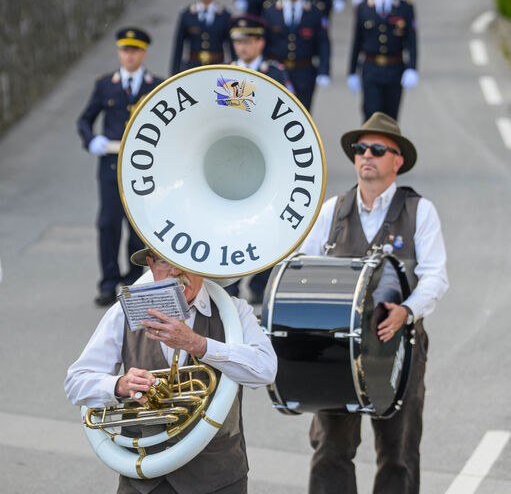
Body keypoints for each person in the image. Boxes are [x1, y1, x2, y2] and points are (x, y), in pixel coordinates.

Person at [300, 111, 448, 494]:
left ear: (397, 161)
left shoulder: (419, 211)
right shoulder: (333, 210)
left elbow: (435, 277)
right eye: (360, 148)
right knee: (330, 450)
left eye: (378, 150)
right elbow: (302, 268)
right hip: (337, 352)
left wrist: (407, 311)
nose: (367, 155)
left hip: (399, 347)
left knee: (399, 454)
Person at [65, 248, 278, 494]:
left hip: (217, 477)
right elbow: (76, 383)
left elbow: (266, 369)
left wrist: (199, 345)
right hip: (144, 478)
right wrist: (119, 385)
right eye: (165, 262)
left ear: (203, 264)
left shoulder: (234, 311)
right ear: (151, 264)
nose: (176, 271)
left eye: (186, 261)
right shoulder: (123, 312)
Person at [77, 28, 164, 306]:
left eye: (135, 50)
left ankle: (134, 281)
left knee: (139, 227)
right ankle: (108, 282)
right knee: (108, 224)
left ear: (143, 53)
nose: (129, 56)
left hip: (143, 168)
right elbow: (85, 119)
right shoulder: (106, 85)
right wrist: (92, 140)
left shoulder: (156, 85)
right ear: (119, 52)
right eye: (125, 50)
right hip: (111, 164)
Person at [224, 13, 294, 302]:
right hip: (233, 157)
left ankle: (259, 283)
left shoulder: (275, 71)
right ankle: (229, 284)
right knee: (231, 223)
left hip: (267, 157)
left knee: (266, 221)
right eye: (238, 42)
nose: (242, 47)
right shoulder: (225, 72)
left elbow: (289, 110)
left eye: (248, 42)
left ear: (260, 43)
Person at [348, 0, 418, 121]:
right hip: (371, 69)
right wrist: (352, 71)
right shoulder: (364, 7)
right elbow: (357, 41)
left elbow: (412, 40)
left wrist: (412, 67)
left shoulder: (404, 7)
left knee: (390, 120)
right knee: (371, 117)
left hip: (395, 68)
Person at [263, 0, 331, 112]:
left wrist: (324, 69)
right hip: (277, 71)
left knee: (303, 113)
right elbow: (264, 40)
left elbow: (323, 42)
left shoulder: (315, 10)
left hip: (304, 70)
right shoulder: (271, 10)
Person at [170, 0, 232, 75]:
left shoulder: (225, 15)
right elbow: (178, 46)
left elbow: (231, 46)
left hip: (217, 67)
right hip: (193, 68)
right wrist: (174, 73)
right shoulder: (187, 14)